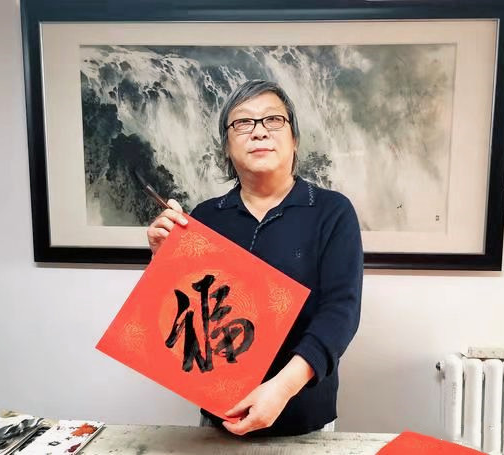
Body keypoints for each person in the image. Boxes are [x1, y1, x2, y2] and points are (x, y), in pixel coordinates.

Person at [147, 80, 363, 437]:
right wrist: (163, 262)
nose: (259, 131)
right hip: (219, 417)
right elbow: (184, 316)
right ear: (226, 146)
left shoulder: (332, 211)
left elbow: (341, 312)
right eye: (243, 122)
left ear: (294, 139)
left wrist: (282, 388)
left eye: (273, 120)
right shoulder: (205, 218)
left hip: (305, 419)